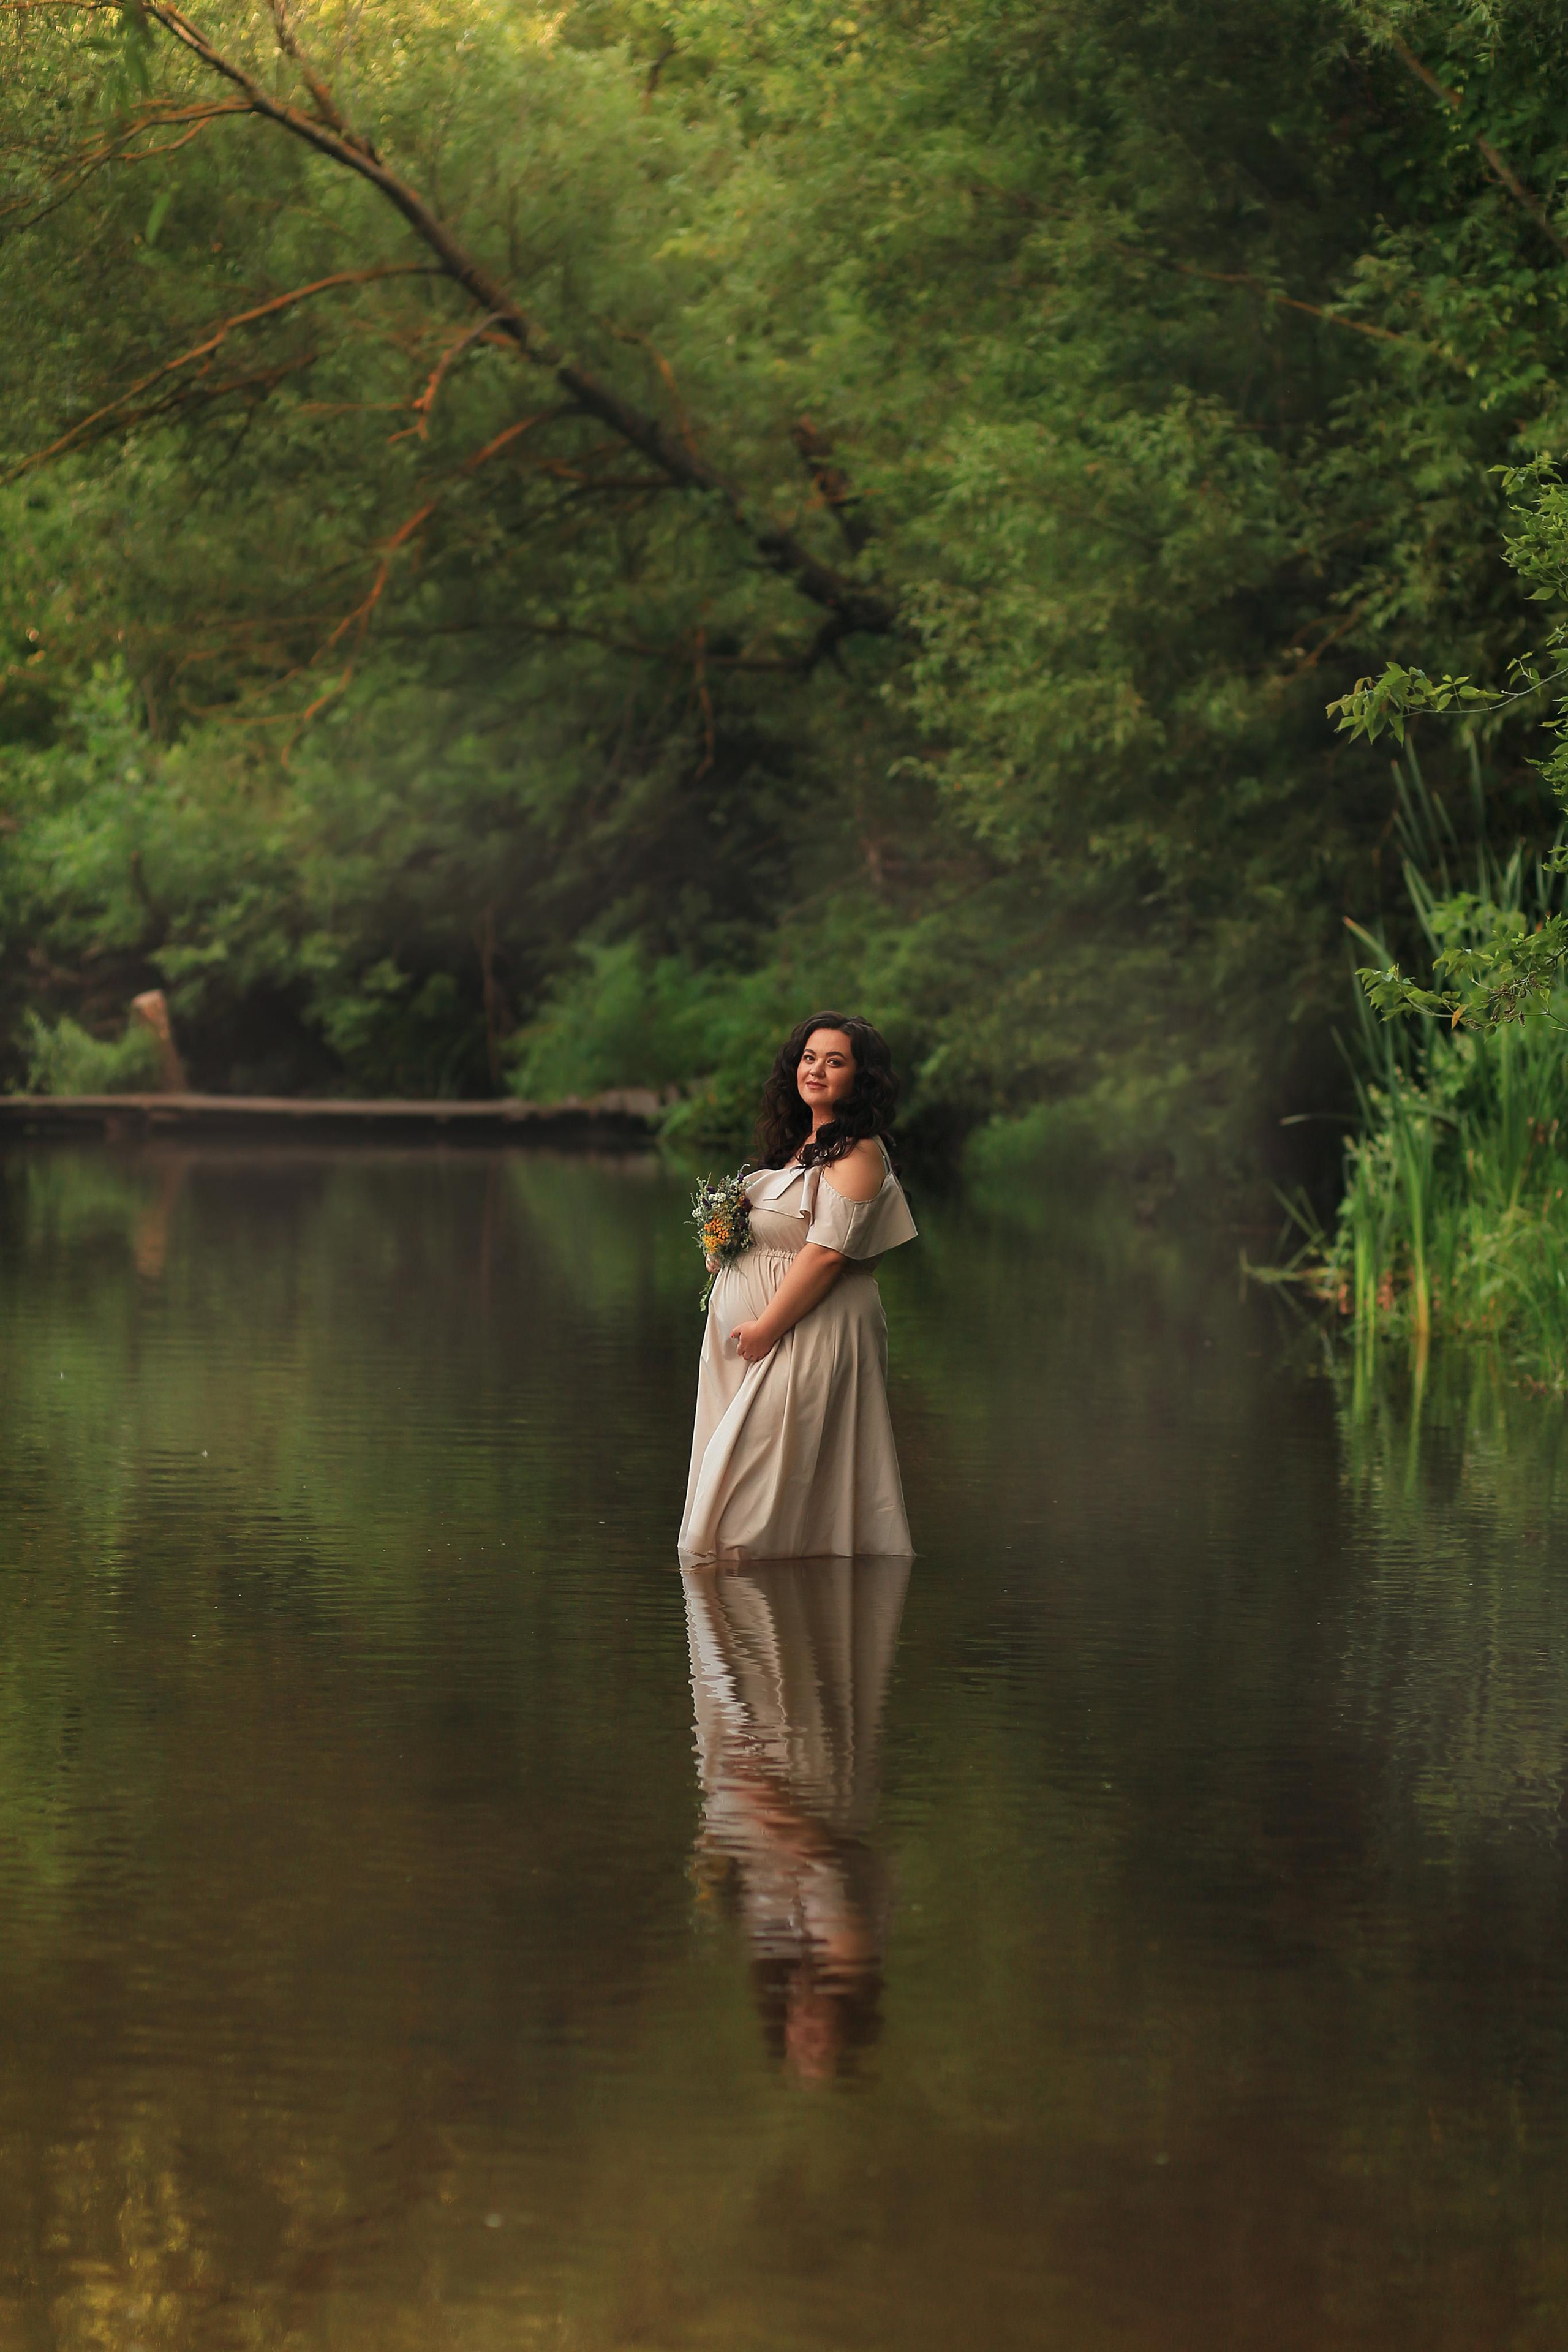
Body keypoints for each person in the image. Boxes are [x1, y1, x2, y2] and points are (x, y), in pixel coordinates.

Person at [678, 1012, 917, 1566]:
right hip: (767, 1342)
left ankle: (767, 1619)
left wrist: (765, 1327)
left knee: (748, 1495)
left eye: (836, 1062)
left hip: (808, 1332)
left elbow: (830, 1253)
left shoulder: (859, 1152)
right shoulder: (799, 1144)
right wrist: (724, 1244)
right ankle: (786, 1617)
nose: (817, 1070)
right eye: (810, 1058)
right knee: (752, 1484)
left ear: (862, 1078)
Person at [682, 1553, 910, 2079]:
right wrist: (755, 1793)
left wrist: (721, 1843)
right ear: (845, 2025)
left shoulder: (793, 1968)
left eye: (796, 2043)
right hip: (793, 1783)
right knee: (764, 1653)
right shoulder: (849, 1954)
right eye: (815, 2041)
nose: (801, 2028)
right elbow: (818, 1856)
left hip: (758, 1789)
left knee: (739, 1639)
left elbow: (762, 1879)